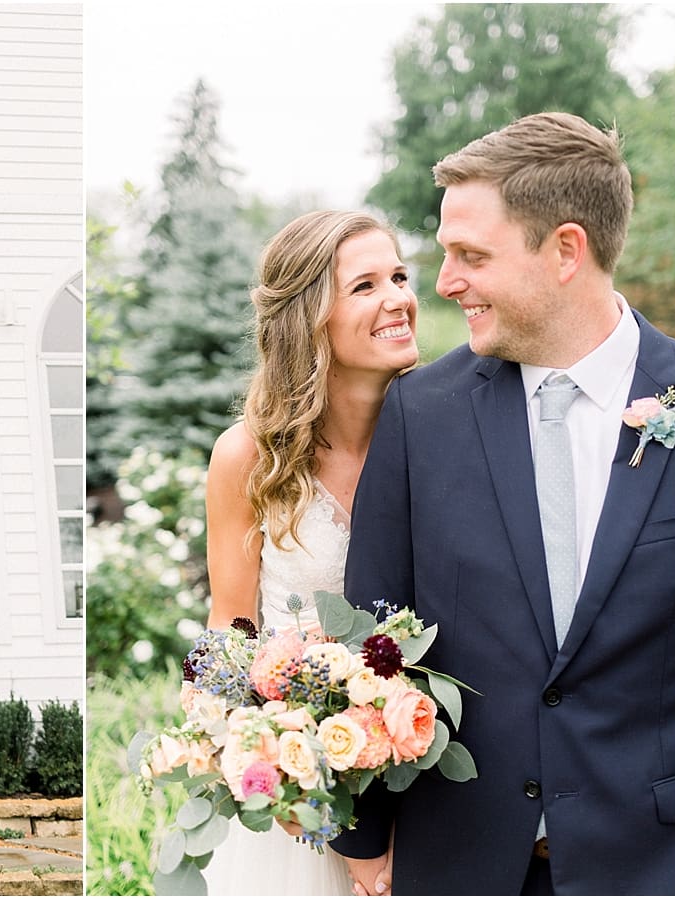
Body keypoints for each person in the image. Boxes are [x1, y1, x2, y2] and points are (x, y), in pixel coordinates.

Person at [334, 112, 675, 895]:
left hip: (656, 861)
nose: (445, 282)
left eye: (470, 255)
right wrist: (361, 838)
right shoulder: (420, 413)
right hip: (461, 860)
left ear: (565, 250)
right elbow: (371, 638)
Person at [202, 210, 419, 894]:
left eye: (399, 275)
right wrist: (265, 765)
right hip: (304, 790)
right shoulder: (249, 456)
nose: (399, 298)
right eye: (365, 285)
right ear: (309, 316)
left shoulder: (437, 433)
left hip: (424, 775)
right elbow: (231, 628)